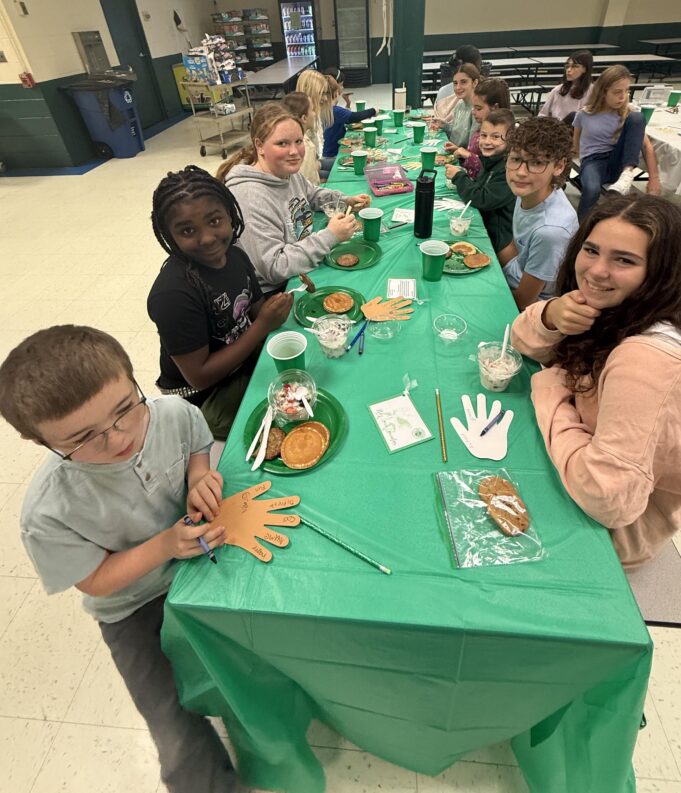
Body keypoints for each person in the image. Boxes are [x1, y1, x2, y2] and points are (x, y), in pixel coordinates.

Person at [0, 325, 237, 792]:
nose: (117, 437)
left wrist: (200, 476)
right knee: (172, 723)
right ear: (40, 442)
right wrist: (165, 546)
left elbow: (197, 444)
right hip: (132, 607)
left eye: (126, 408)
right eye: (84, 438)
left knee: (260, 646)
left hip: (198, 560)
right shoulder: (49, 511)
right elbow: (96, 581)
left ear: (134, 380)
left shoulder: (170, 412)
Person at [510, 194, 681, 570]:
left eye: (624, 260)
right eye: (591, 250)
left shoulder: (645, 358)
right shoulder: (616, 308)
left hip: (610, 538)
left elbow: (607, 498)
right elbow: (519, 339)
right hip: (576, 459)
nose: (597, 271)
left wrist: (552, 389)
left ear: (661, 272)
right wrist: (552, 315)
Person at [147, 166, 291, 440]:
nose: (207, 239)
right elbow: (199, 376)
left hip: (240, 358)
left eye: (214, 221)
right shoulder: (173, 295)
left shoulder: (235, 255)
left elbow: (255, 306)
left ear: (230, 214)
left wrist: (278, 308)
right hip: (203, 396)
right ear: (169, 235)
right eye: (187, 230)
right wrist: (262, 325)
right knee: (288, 413)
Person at [216, 103, 370, 295]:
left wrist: (345, 201)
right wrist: (330, 236)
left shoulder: (285, 172)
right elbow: (275, 267)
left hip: (303, 264)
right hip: (278, 290)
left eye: (298, 141)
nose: (295, 152)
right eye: (282, 143)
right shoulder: (249, 197)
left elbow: (312, 194)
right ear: (259, 146)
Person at [503, 116, 579, 309]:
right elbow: (515, 247)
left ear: (559, 167)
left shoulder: (550, 231)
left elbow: (523, 301)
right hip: (512, 276)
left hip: (532, 306)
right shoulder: (530, 190)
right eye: (516, 159)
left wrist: (490, 288)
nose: (521, 172)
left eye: (536, 163)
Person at [573, 64, 661, 220]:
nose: (623, 97)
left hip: (619, 160)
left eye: (627, 91)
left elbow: (646, 146)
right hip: (593, 160)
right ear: (603, 91)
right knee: (591, 189)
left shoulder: (629, 112)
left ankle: (627, 175)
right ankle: (580, 228)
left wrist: (654, 179)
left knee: (637, 117)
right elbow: (576, 144)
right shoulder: (584, 114)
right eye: (617, 92)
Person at [445, 109, 516, 259]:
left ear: (510, 139)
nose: (487, 141)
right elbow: (479, 186)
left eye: (496, 137)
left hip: (496, 239)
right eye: (483, 135)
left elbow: (482, 199)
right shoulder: (490, 160)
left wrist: (459, 177)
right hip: (483, 224)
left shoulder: (507, 169)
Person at [445, 77, 511, 180]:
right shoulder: (482, 127)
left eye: (478, 108)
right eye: (473, 107)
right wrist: (459, 150)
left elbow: (489, 171)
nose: (473, 112)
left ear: (495, 107)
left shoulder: (505, 138)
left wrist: (468, 155)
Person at [322, 79, 376, 159]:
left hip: (328, 152)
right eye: (341, 85)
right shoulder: (334, 110)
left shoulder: (325, 109)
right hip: (332, 154)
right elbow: (355, 117)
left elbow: (343, 118)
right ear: (336, 93)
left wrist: (348, 104)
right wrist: (373, 111)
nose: (342, 88)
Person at [295, 69, 334, 178]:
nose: (325, 98)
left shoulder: (315, 116)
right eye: (321, 94)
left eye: (326, 93)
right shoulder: (299, 127)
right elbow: (304, 173)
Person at [538, 50, 594, 122]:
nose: (569, 70)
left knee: (574, 116)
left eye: (575, 66)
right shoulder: (558, 90)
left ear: (585, 69)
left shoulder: (593, 92)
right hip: (558, 130)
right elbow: (542, 115)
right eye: (567, 66)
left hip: (581, 131)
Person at [282, 91, 321, 185]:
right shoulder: (306, 147)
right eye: (312, 110)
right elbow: (308, 185)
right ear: (304, 118)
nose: (314, 114)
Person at [441, 64, 480, 147]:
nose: (458, 87)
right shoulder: (459, 105)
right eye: (455, 83)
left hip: (463, 158)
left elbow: (472, 147)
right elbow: (456, 134)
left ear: (475, 83)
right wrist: (443, 125)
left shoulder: (477, 110)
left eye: (463, 82)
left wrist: (457, 150)